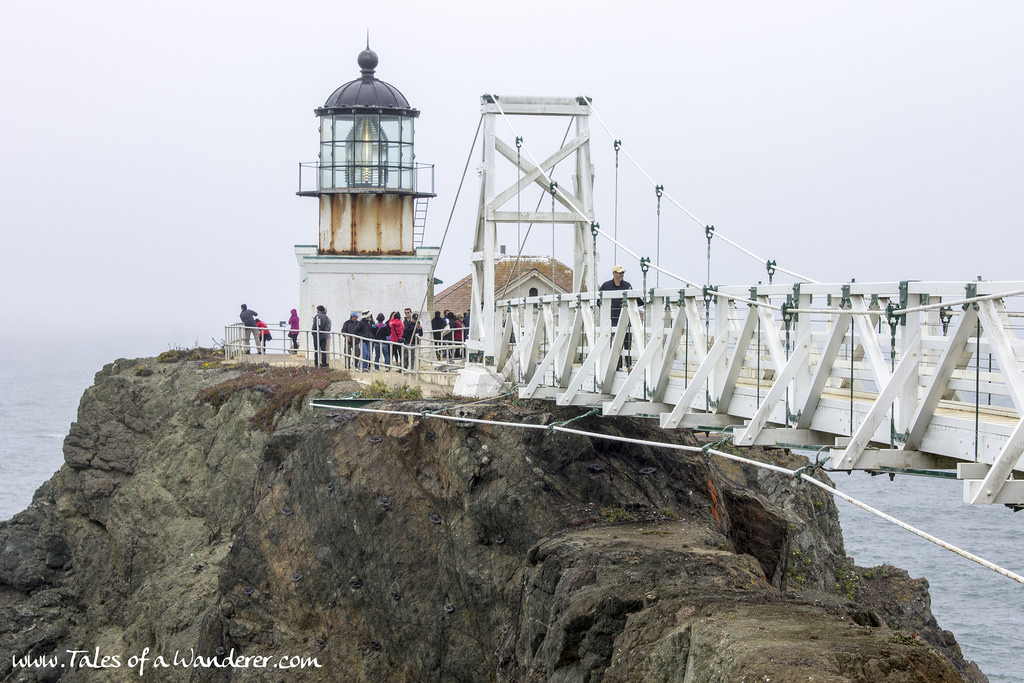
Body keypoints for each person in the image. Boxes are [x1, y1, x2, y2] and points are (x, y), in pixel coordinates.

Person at [598, 265, 642, 370]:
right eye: (619, 273)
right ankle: (617, 367)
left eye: (623, 273)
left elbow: (635, 299)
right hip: (612, 319)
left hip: (626, 319)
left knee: (627, 342)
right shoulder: (606, 286)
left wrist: (645, 303)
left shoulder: (627, 285)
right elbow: (599, 302)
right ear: (614, 273)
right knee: (615, 344)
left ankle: (629, 365)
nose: (621, 274)